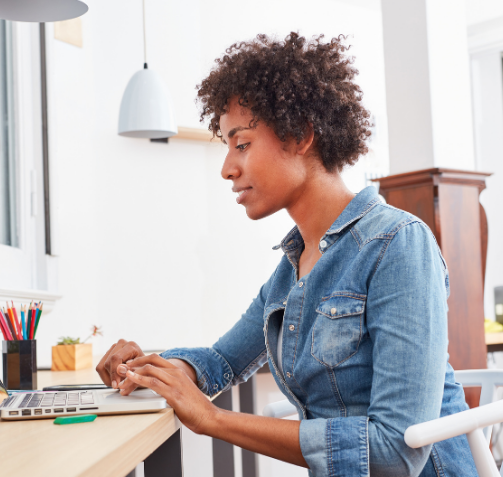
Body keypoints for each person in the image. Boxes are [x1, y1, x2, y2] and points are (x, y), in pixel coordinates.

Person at [96, 32, 478, 477]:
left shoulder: (398, 244)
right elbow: (222, 361)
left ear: (300, 136)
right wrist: (153, 368)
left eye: (241, 144)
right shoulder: (291, 268)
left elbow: (395, 451)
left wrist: (215, 420)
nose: (226, 169)